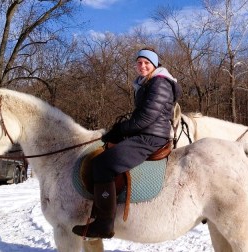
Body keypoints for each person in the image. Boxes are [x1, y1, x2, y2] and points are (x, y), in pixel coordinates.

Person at [72, 47, 182, 238]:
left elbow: (146, 118)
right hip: (145, 133)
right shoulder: (146, 83)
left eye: (147, 63)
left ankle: (104, 224)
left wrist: (120, 130)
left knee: (102, 164)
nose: (142, 66)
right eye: (139, 62)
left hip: (150, 137)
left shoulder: (159, 83)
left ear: (154, 65)